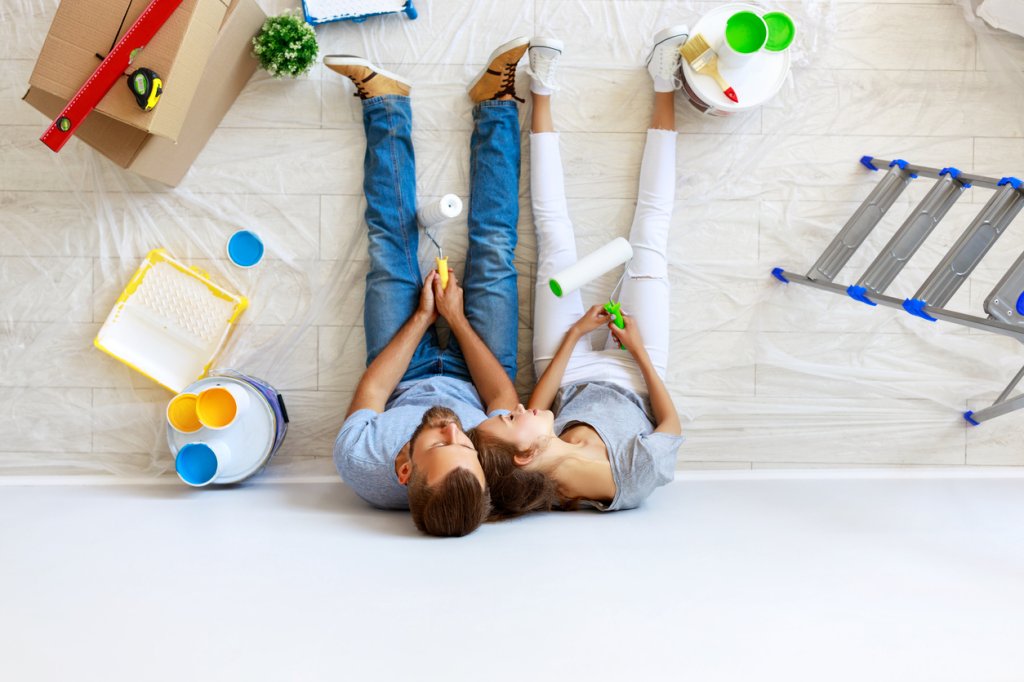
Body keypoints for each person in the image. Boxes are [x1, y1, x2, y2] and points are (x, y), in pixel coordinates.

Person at [470, 28, 689, 516]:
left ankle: (541, 88)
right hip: (637, 370)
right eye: (510, 418)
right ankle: (663, 82)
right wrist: (634, 350)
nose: (516, 406)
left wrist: (574, 335)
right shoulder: (631, 481)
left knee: (555, 236)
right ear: (526, 452)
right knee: (651, 234)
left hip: (565, 368)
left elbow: (541, 400)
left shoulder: (534, 446)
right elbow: (670, 423)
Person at [327, 38, 529, 537]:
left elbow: (374, 389)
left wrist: (422, 319)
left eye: (441, 445)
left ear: (403, 469)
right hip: (478, 373)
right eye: (467, 446)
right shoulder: (491, 467)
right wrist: (456, 320)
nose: (453, 429)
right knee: (494, 247)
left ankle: (385, 106)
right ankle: (496, 103)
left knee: (388, 245)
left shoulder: (361, 463)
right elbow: (501, 394)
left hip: (401, 371)